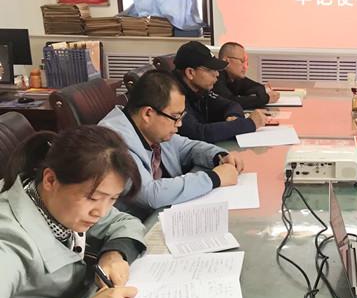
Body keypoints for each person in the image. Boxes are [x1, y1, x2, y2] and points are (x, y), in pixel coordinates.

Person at [0, 125, 147, 298]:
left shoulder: (57, 197)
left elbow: (124, 222)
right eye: (93, 198)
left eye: (112, 199)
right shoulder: (7, 245)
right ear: (50, 180)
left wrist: (114, 254)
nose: (101, 211)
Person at [99, 71, 245, 220]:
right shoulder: (112, 142)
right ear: (147, 114)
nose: (179, 124)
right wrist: (214, 178)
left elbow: (188, 147)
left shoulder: (152, 131)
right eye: (175, 117)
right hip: (138, 225)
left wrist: (219, 156)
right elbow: (150, 194)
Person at [172, 41, 270, 143]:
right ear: (190, 72)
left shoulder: (199, 89)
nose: (217, 74)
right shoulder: (173, 95)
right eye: (211, 70)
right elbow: (198, 133)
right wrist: (249, 123)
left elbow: (232, 104)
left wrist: (233, 116)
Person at [214, 42, 281, 109]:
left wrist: (261, 94)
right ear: (226, 61)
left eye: (246, 63)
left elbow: (257, 87)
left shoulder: (234, 77)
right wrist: (265, 98)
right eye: (242, 61)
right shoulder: (215, 77)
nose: (245, 67)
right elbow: (231, 102)